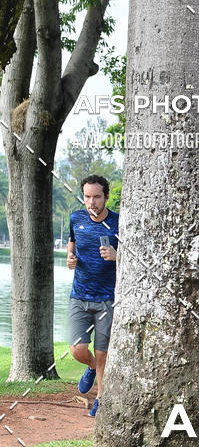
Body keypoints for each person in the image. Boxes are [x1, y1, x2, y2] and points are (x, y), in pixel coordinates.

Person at [67, 175, 119, 418]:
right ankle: (89, 367)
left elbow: (133, 256)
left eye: (97, 197)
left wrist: (116, 256)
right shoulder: (76, 218)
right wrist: (70, 257)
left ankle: (100, 398)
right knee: (78, 349)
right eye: (87, 197)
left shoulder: (119, 223)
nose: (92, 202)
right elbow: (72, 242)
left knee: (102, 353)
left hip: (107, 299)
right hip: (79, 295)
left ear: (106, 197)